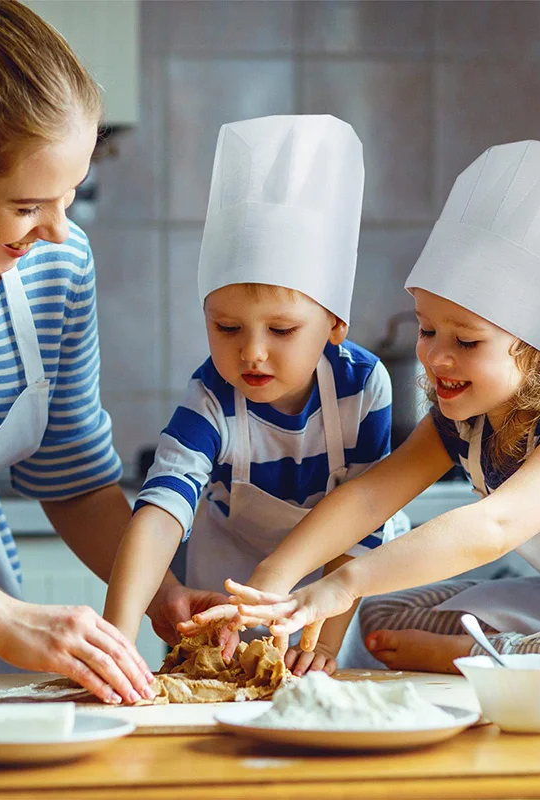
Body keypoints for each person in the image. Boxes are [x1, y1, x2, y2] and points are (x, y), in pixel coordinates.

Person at [0, 0, 224, 705]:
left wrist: (161, 595)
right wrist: (3, 619)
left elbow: (74, 479)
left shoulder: (57, 265)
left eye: (71, 193)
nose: (58, 229)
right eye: (27, 206)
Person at [201, 140, 540, 699]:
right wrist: (274, 579)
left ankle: (486, 654)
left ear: (537, 349)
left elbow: (495, 525)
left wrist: (344, 582)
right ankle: (514, 656)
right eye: (427, 329)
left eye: (465, 340)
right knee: (386, 618)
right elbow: (370, 498)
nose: (436, 357)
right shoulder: (462, 421)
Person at [104, 115, 409, 677]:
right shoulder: (212, 397)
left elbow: (364, 520)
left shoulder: (363, 387)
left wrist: (322, 642)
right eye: (226, 327)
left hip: (329, 594)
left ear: (335, 324)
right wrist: (116, 638)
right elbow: (160, 511)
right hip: (225, 588)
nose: (252, 353)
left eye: (283, 330)